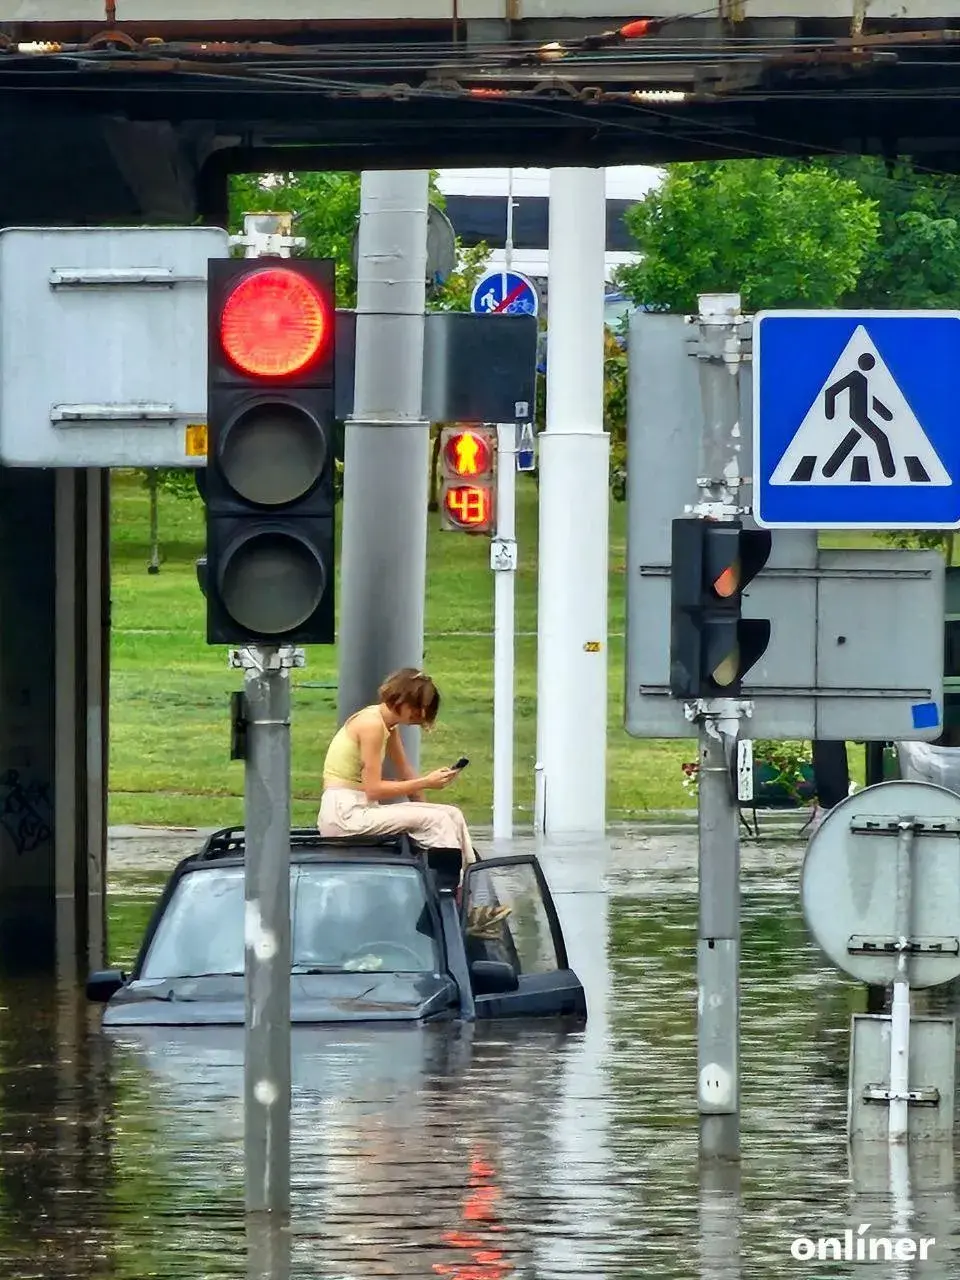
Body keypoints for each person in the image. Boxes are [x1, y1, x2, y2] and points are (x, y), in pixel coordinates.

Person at [317, 668, 479, 875]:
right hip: (345, 815)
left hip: (360, 809)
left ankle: (474, 894)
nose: (420, 715)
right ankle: (449, 895)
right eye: (417, 707)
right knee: (437, 821)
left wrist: (426, 808)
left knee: (450, 814)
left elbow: (406, 772)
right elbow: (374, 789)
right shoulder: (371, 724)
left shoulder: (388, 725)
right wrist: (427, 782)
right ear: (401, 699)